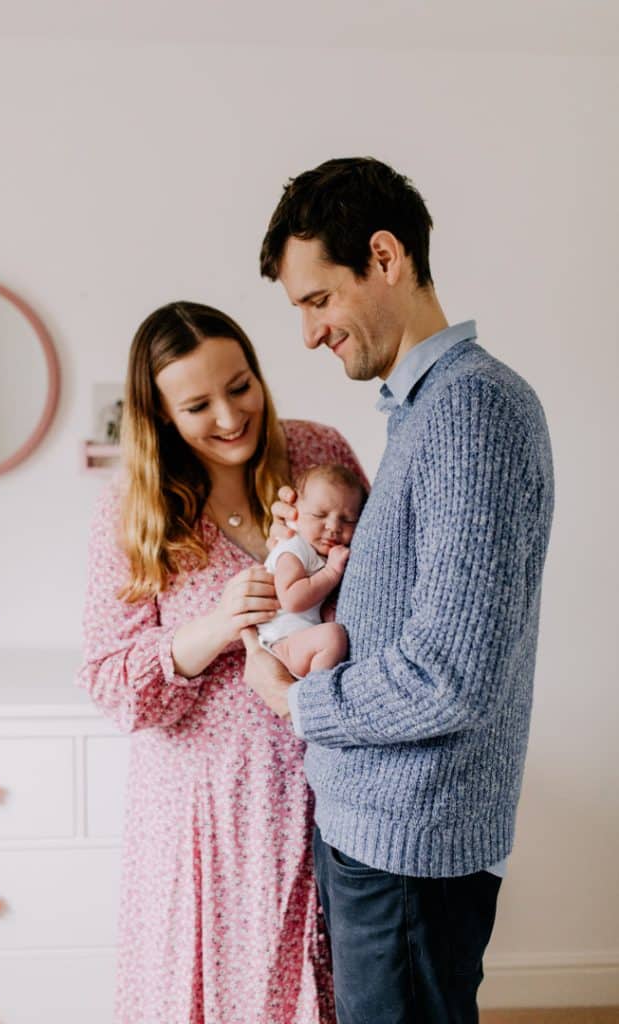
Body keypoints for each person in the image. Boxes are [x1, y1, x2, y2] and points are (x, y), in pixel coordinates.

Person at [242, 158, 555, 1023]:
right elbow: (402, 621)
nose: (307, 334)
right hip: (378, 828)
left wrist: (293, 703)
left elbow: (448, 675)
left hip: (409, 845)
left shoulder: (470, 409)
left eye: (316, 301)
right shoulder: (422, 413)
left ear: (384, 257)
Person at [77, 300, 367, 1024]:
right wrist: (209, 629)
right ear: (162, 415)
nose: (230, 416)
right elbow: (111, 684)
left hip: (320, 784)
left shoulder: (314, 456)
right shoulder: (132, 512)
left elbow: (380, 584)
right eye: (198, 404)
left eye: (239, 386)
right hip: (202, 816)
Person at [258, 463, 367, 677]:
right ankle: (317, 690)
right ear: (294, 513)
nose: (334, 527)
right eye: (319, 515)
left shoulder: (319, 551)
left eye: (347, 520)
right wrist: (331, 572)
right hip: (283, 641)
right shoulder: (293, 549)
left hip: (302, 640)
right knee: (333, 637)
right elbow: (292, 600)